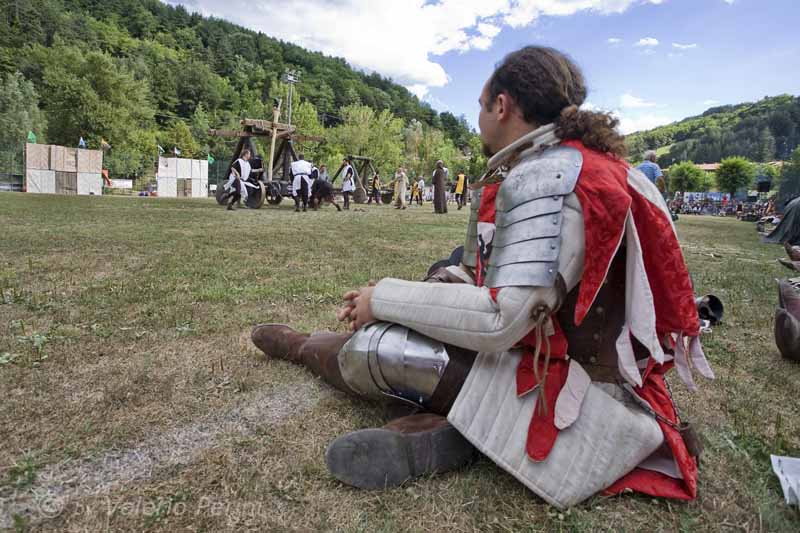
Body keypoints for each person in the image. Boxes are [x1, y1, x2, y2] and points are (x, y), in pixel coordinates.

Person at [251, 45, 711, 508]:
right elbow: (483, 276)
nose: (478, 116)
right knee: (429, 293)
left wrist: (383, 298)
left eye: (479, 104)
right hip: (548, 351)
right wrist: (433, 287)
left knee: (383, 345)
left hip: (576, 387)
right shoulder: (569, 164)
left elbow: (500, 319)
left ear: (502, 105)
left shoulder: (550, 175)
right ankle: (442, 425)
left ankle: (303, 346)